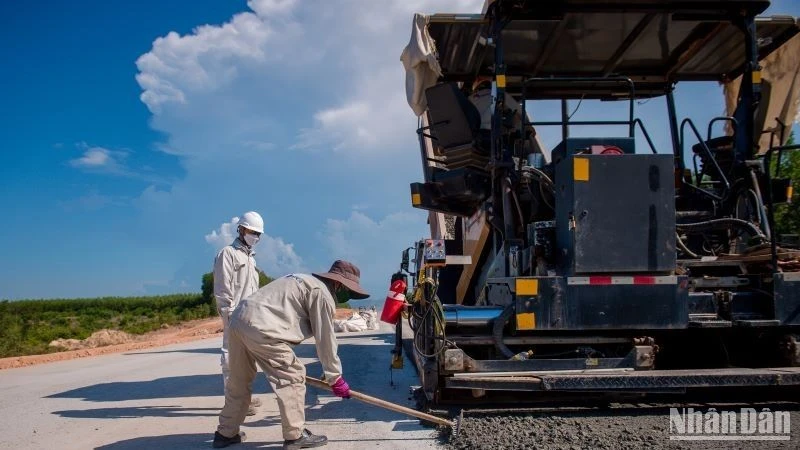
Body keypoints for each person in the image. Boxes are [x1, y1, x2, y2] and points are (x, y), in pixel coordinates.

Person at [211, 259, 370, 449]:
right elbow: (325, 339)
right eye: (348, 290)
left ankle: (225, 433)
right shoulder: (322, 294)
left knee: (239, 381)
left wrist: (327, 373)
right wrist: (335, 377)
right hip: (264, 328)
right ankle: (295, 435)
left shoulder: (303, 280)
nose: (348, 295)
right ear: (338, 283)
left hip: (238, 320)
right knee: (293, 377)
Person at [213, 211, 265, 416]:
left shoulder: (250, 258)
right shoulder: (228, 254)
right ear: (241, 229)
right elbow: (223, 288)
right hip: (234, 315)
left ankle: (245, 397)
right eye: (253, 232)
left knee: (247, 359)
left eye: (259, 234)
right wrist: (229, 315)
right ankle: (232, 401)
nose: (256, 237)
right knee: (230, 357)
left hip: (250, 316)